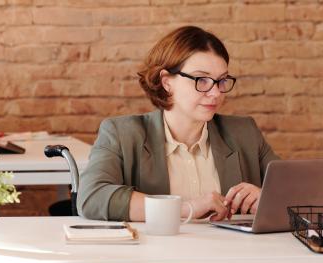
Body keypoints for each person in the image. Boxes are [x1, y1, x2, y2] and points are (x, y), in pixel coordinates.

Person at [78, 26, 279, 221]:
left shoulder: (244, 133)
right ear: (167, 82)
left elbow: (298, 190)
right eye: (202, 80)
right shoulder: (122, 134)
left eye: (221, 80)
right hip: (155, 254)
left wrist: (268, 197)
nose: (216, 92)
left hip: (234, 255)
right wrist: (185, 208)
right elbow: (91, 197)